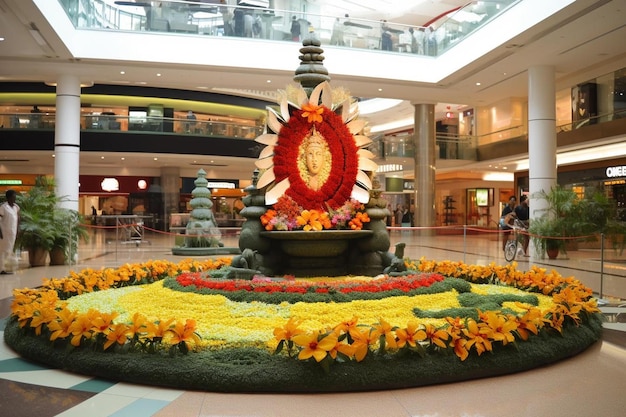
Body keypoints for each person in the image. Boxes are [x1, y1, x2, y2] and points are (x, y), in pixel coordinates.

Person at [0, 189, 20, 274]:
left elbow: (18, 218)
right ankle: (1, 269)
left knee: (9, 250)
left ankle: (6, 267)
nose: (14, 198)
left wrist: (19, 228)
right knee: (2, 251)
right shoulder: (3, 207)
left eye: (15, 196)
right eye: (12, 197)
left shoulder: (16, 207)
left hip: (13, 232)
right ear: (8, 198)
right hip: (4, 232)